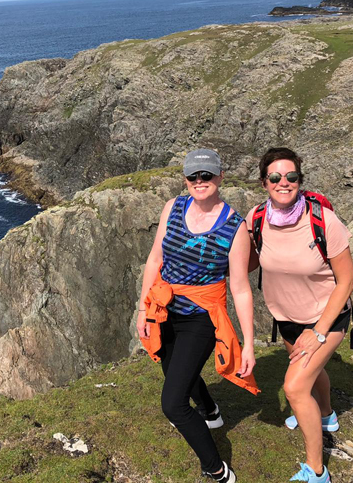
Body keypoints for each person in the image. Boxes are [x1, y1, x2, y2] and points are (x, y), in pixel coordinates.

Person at [137, 148, 259, 483]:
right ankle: (210, 411)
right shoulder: (173, 208)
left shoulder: (235, 227)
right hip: (164, 309)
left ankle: (217, 470)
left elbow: (241, 288)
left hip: (202, 318)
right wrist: (143, 310)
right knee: (173, 368)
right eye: (193, 176)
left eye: (206, 175)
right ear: (185, 179)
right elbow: (154, 260)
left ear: (220, 177)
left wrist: (248, 344)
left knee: (173, 404)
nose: (199, 181)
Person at [246, 147, 353, 483]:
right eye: (275, 177)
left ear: (300, 180)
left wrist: (319, 331)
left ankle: (317, 470)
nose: (284, 182)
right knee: (309, 370)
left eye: (291, 176)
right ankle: (326, 414)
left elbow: (347, 279)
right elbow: (250, 263)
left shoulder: (323, 220)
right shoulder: (257, 219)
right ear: (264, 182)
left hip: (326, 317)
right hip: (288, 318)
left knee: (294, 388)